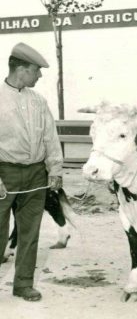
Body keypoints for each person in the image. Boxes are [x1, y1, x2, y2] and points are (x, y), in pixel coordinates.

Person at [0, 42, 63, 301]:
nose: (39, 76)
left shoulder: (38, 101)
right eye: (36, 70)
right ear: (21, 69)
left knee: (30, 232)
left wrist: (55, 169)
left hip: (36, 175)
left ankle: (23, 284)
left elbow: (50, 137)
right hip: (5, 175)